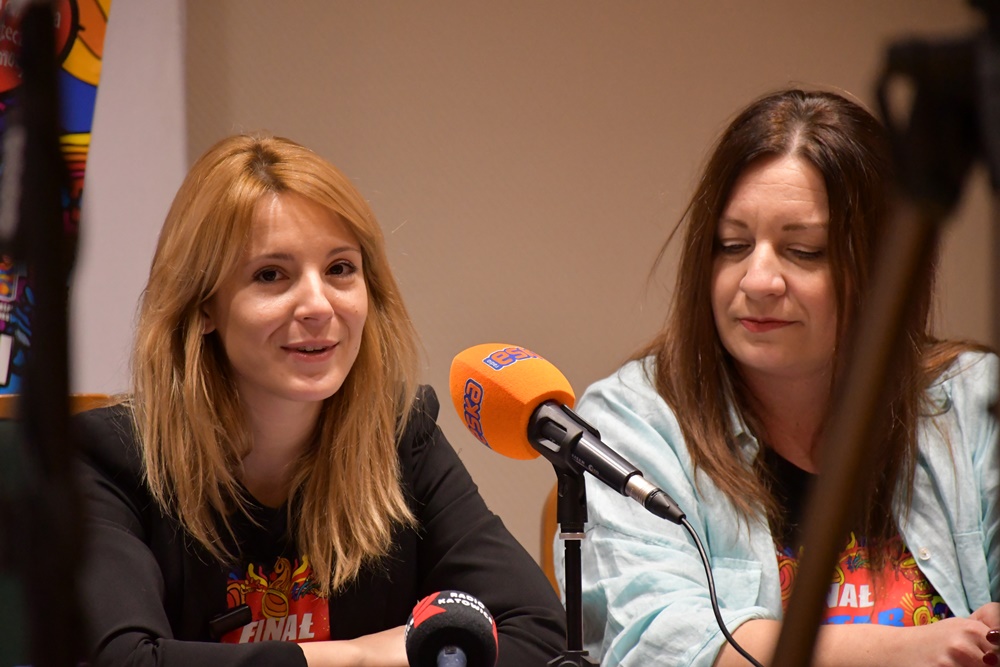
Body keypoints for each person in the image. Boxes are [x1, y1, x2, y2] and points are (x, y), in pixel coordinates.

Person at [75, 133, 567, 666]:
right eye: (271, 275)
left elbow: (538, 636)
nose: (318, 305)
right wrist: (358, 657)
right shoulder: (111, 458)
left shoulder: (400, 437)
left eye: (339, 269)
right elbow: (123, 661)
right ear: (203, 306)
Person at [558, 89, 1000, 666]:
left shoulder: (972, 400)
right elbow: (661, 642)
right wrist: (911, 650)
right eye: (732, 245)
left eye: (803, 250)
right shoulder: (630, 423)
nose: (758, 280)